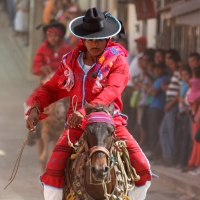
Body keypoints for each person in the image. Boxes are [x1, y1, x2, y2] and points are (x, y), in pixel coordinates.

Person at [26, 8, 152, 200]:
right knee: (52, 169)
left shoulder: (117, 61)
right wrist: (36, 107)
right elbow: (52, 88)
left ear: (107, 39)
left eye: (100, 39)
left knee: (143, 167)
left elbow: (112, 91)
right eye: (91, 39)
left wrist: (85, 111)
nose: (95, 43)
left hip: (109, 123)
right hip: (76, 125)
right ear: (83, 40)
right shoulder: (71, 63)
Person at [159, 53, 181, 166]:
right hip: (169, 105)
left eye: (172, 63)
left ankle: (172, 157)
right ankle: (167, 156)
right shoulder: (174, 74)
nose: (171, 65)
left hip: (173, 105)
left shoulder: (179, 73)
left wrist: (171, 104)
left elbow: (180, 91)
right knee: (164, 130)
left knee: (170, 131)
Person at [124, 36, 147, 135]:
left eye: (140, 44)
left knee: (133, 114)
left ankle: (131, 134)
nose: (138, 46)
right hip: (129, 86)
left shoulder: (143, 56)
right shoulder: (138, 56)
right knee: (126, 111)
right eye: (137, 43)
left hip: (133, 89)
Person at [147, 62, 167, 160]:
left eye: (159, 69)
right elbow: (147, 90)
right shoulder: (157, 80)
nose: (157, 71)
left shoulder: (163, 79)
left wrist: (150, 90)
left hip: (158, 109)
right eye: (156, 69)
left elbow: (153, 92)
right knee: (152, 130)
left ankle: (157, 153)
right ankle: (153, 151)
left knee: (156, 131)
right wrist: (150, 90)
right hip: (153, 107)